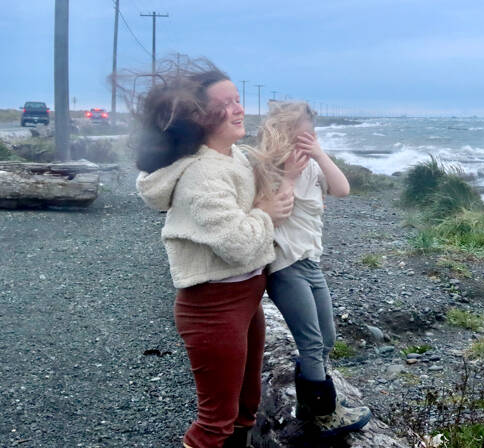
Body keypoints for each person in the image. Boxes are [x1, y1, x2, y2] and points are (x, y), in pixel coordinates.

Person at [133, 58, 294, 448]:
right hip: (212, 306)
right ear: (197, 117)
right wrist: (266, 214)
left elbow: (259, 181)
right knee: (214, 422)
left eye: (238, 99)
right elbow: (239, 245)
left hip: (246, 296)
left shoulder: (233, 155)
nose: (238, 108)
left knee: (245, 407)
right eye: (226, 103)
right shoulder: (202, 174)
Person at [250, 101, 372, 437]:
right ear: (284, 135)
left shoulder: (315, 167)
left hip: (310, 263)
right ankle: (322, 414)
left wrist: (319, 155)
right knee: (312, 342)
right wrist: (288, 175)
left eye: (313, 137)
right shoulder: (267, 170)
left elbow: (343, 189)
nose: (309, 142)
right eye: (303, 137)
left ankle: (309, 403)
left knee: (328, 338)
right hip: (284, 267)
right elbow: (277, 213)